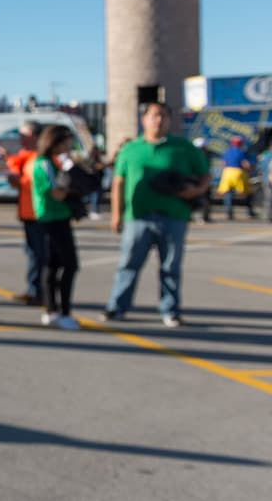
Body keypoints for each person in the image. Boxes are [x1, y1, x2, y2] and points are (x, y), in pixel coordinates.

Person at [103, 102, 210, 327]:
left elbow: (204, 174)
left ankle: (170, 310)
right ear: (144, 120)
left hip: (174, 215)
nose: (158, 120)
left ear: (170, 120)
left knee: (170, 266)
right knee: (128, 264)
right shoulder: (131, 149)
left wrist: (197, 190)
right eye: (154, 116)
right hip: (138, 217)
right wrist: (116, 214)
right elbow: (118, 183)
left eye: (163, 115)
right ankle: (117, 307)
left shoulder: (183, 147)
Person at [31, 125, 80, 330]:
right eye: (68, 140)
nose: (71, 144)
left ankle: (51, 310)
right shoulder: (45, 164)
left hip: (55, 216)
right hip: (53, 217)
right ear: (57, 141)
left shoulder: (53, 162)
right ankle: (63, 311)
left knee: (53, 265)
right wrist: (74, 189)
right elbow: (56, 193)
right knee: (69, 264)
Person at [4, 121, 45, 307]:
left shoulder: (43, 158)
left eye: (24, 135)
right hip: (27, 213)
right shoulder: (26, 156)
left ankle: (39, 292)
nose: (20, 139)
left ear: (35, 136)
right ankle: (33, 290)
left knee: (39, 254)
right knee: (32, 253)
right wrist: (14, 180)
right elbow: (21, 184)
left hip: (40, 214)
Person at [217, 137, 255, 220]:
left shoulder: (227, 152)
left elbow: (224, 163)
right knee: (247, 193)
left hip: (227, 173)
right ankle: (250, 212)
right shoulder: (242, 152)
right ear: (241, 143)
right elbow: (246, 164)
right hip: (239, 173)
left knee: (228, 194)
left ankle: (229, 213)